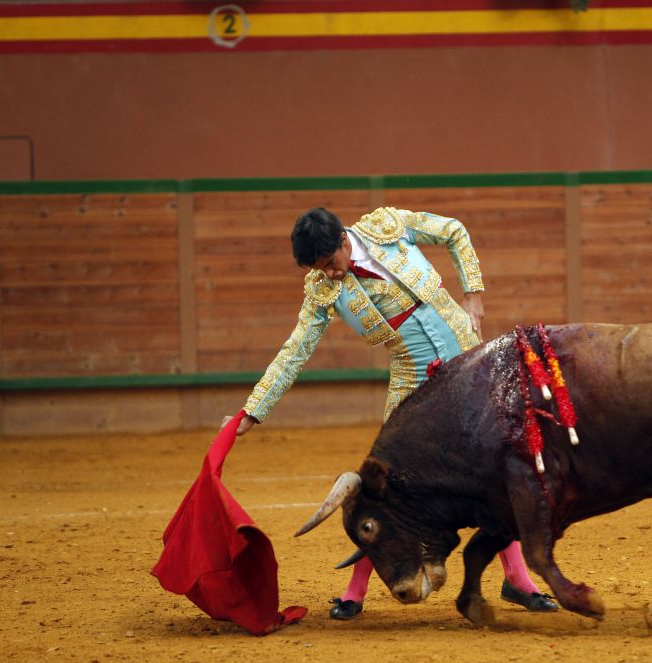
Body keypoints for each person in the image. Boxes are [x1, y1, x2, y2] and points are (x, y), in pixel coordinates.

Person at [222, 206, 557, 620]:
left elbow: (453, 231)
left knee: (492, 469)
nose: (329, 275)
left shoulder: (387, 227)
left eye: (329, 263)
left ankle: (518, 581)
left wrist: (473, 295)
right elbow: (294, 352)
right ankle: (355, 590)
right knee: (386, 485)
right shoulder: (322, 291)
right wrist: (253, 410)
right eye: (318, 269)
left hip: (467, 358)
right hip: (411, 376)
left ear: (344, 241)